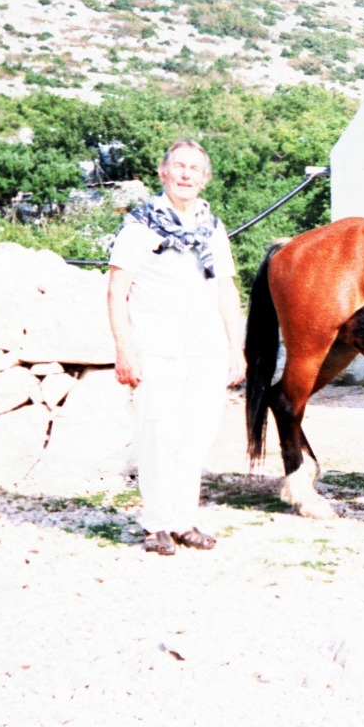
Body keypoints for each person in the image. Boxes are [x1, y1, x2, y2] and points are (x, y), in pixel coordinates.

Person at [107, 139, 246, 555]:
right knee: (158, 433)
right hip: (156, 346)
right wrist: (124, 351)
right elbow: (116, 292)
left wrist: (235, 350)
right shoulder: (140, 226)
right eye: (179, 167)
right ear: (163, 173)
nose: (186, 174)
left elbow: (225, 290)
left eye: (195, 169)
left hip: (206, 348)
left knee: (196, 435)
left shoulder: (212, 227)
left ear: (205, 179)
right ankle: (156, 524)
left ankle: (184, 521)